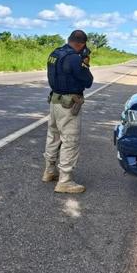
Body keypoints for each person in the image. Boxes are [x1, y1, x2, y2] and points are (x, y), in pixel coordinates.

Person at [42, 30, 93, 193]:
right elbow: (88, 81)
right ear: (81, 44)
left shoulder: (55, 53)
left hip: (55, 101)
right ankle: (65, 180)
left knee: (53, 136)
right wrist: (85, 62)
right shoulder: (74, 58)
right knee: (70, 140)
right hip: (68, 105)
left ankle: (49, 171)